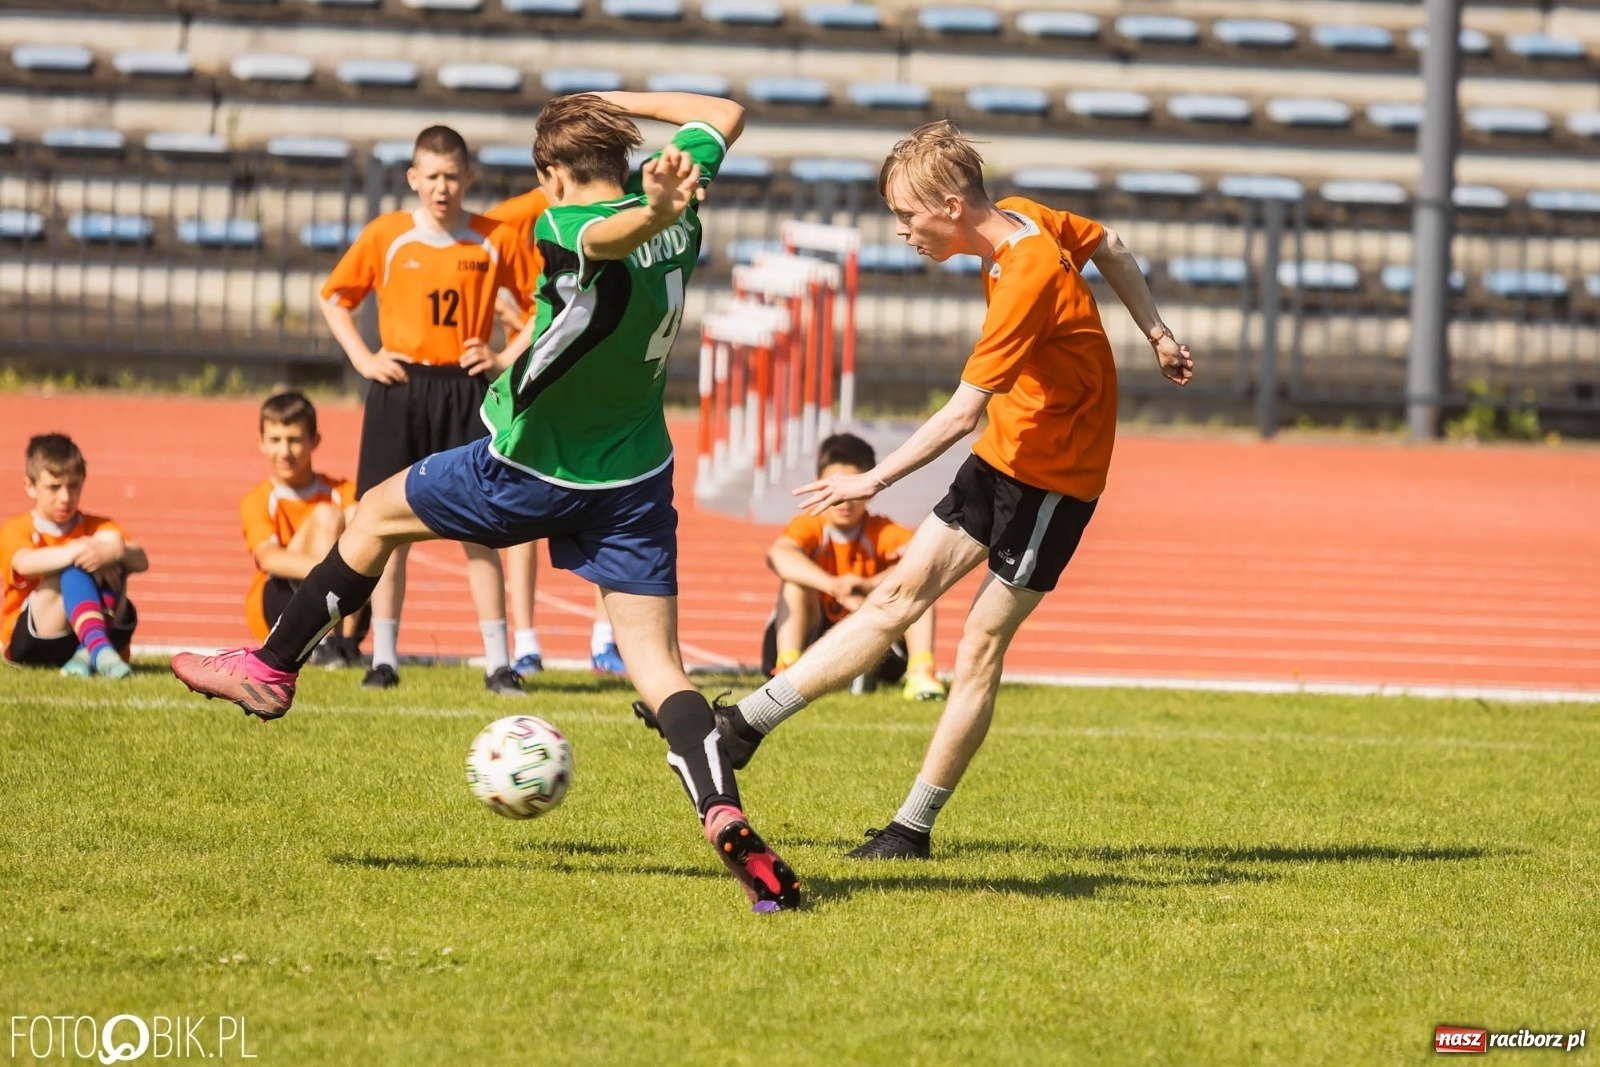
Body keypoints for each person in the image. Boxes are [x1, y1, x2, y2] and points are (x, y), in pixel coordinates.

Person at [172, 91, 802, 913]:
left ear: (551, 176)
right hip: (635, 475)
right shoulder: (678, 196)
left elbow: (609, 234)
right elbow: (725, 109)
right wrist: (625, 121)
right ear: (623, 160)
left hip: (530, 463)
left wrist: (648, 207)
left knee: (375, 514)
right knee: (658, 667)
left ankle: (273, 666)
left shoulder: (571, 223)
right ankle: (723, 813)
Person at [701, 120, 1194, 860]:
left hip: (1054, 480)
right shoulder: (1024, 216)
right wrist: (1156, 332)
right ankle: (741, 729)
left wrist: (872, 478)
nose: (902, 231)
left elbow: (963, 411)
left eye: (907, 215)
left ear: (953, 205)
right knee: (899, 596)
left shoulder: (1026, 275)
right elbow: (1114, 244)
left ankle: (912, 827)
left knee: (980, 642)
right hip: (1005, 454)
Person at [318, 124, 541, 696]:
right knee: (386, 526)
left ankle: (499, 661)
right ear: (414, 179)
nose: (442, 188)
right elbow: (334, 297)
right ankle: (384, 657)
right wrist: (365, 360)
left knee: (482, 529)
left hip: (467, 388)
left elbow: (546, 305)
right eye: (431, 176)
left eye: (452, 176)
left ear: (469, 178)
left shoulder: (494, 237)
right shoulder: (388, 234)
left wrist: (503, 358)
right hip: (401, 388)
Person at [484, 188, 627, 679]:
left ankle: (606, 638)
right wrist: (511, 320)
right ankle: (525, 641)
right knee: (520, 515)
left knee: (607, 504)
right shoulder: (513, 216)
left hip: (600, 387)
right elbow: (483, 272)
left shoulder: (617, 209)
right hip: (536, 385)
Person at [761, 432, 945, 701]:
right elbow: (778, 555)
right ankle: (788, 665)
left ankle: (921, 672)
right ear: (817, 484)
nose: (844, 501)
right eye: (835, 488)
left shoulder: (880, 530)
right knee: (793, 584)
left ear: (867, 489)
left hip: (871, 640)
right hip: (815, 635)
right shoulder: (810, 525)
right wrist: (833, 585)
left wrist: (870, 586)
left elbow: (927, 558)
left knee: (919, 582)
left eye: (851, 490)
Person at [1, 433, 148, 677]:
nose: (65, 497)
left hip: (82, 635)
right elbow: (24, 563)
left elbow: (141, 560)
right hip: (38, 639)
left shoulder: (97, 526)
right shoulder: (17, 528)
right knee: (80, 563)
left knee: (111, 546)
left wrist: (114, 552)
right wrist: (79, 551)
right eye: (54, 487)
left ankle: (87, 651)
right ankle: (99, 648)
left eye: (73, 485)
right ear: (30, 486)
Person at [240, 391, 365, 665]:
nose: (284, 451)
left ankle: (343, 644)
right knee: (327, 517)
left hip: (343, 606)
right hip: (279, 601)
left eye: (294, 440)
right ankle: (326, 643)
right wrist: (335, 574)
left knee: (361, 523)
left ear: (314, 441)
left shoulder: (342, 490)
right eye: (275, 440)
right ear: (261, 443)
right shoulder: (259, 499)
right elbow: (268, 558)